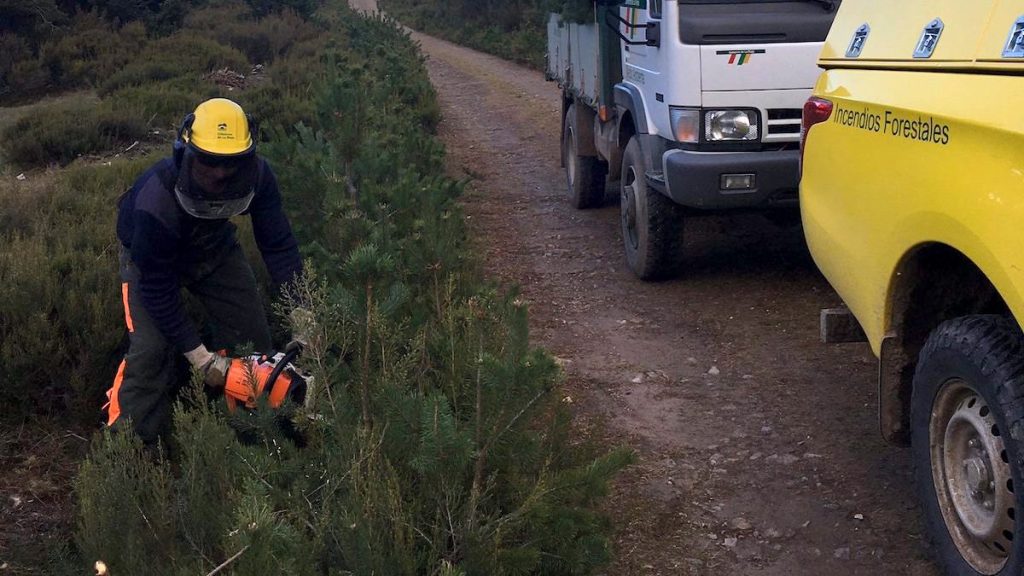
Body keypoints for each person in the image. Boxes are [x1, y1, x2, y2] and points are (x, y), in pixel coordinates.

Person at [106, 97, 306, 444]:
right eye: (209, 163)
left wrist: (303, 308)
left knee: (252, 343)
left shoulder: (259, 176)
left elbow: (278, 245)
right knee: (151, 350)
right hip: (149, 263)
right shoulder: (156, 201)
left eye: (232, 164)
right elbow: (157, 289)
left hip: (214, 249)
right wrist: (200, 358)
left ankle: (251, 439)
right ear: (186, 152)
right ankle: (129, 450)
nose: (220, 174)